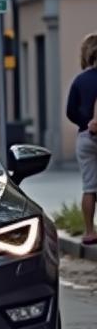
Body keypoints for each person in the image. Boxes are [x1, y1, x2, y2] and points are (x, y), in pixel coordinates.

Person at [66, 32, 97, 245]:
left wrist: (84, 123)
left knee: (89, 187)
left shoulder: (79, 80)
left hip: (86, 138)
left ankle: (89, 232)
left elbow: (70, 111)